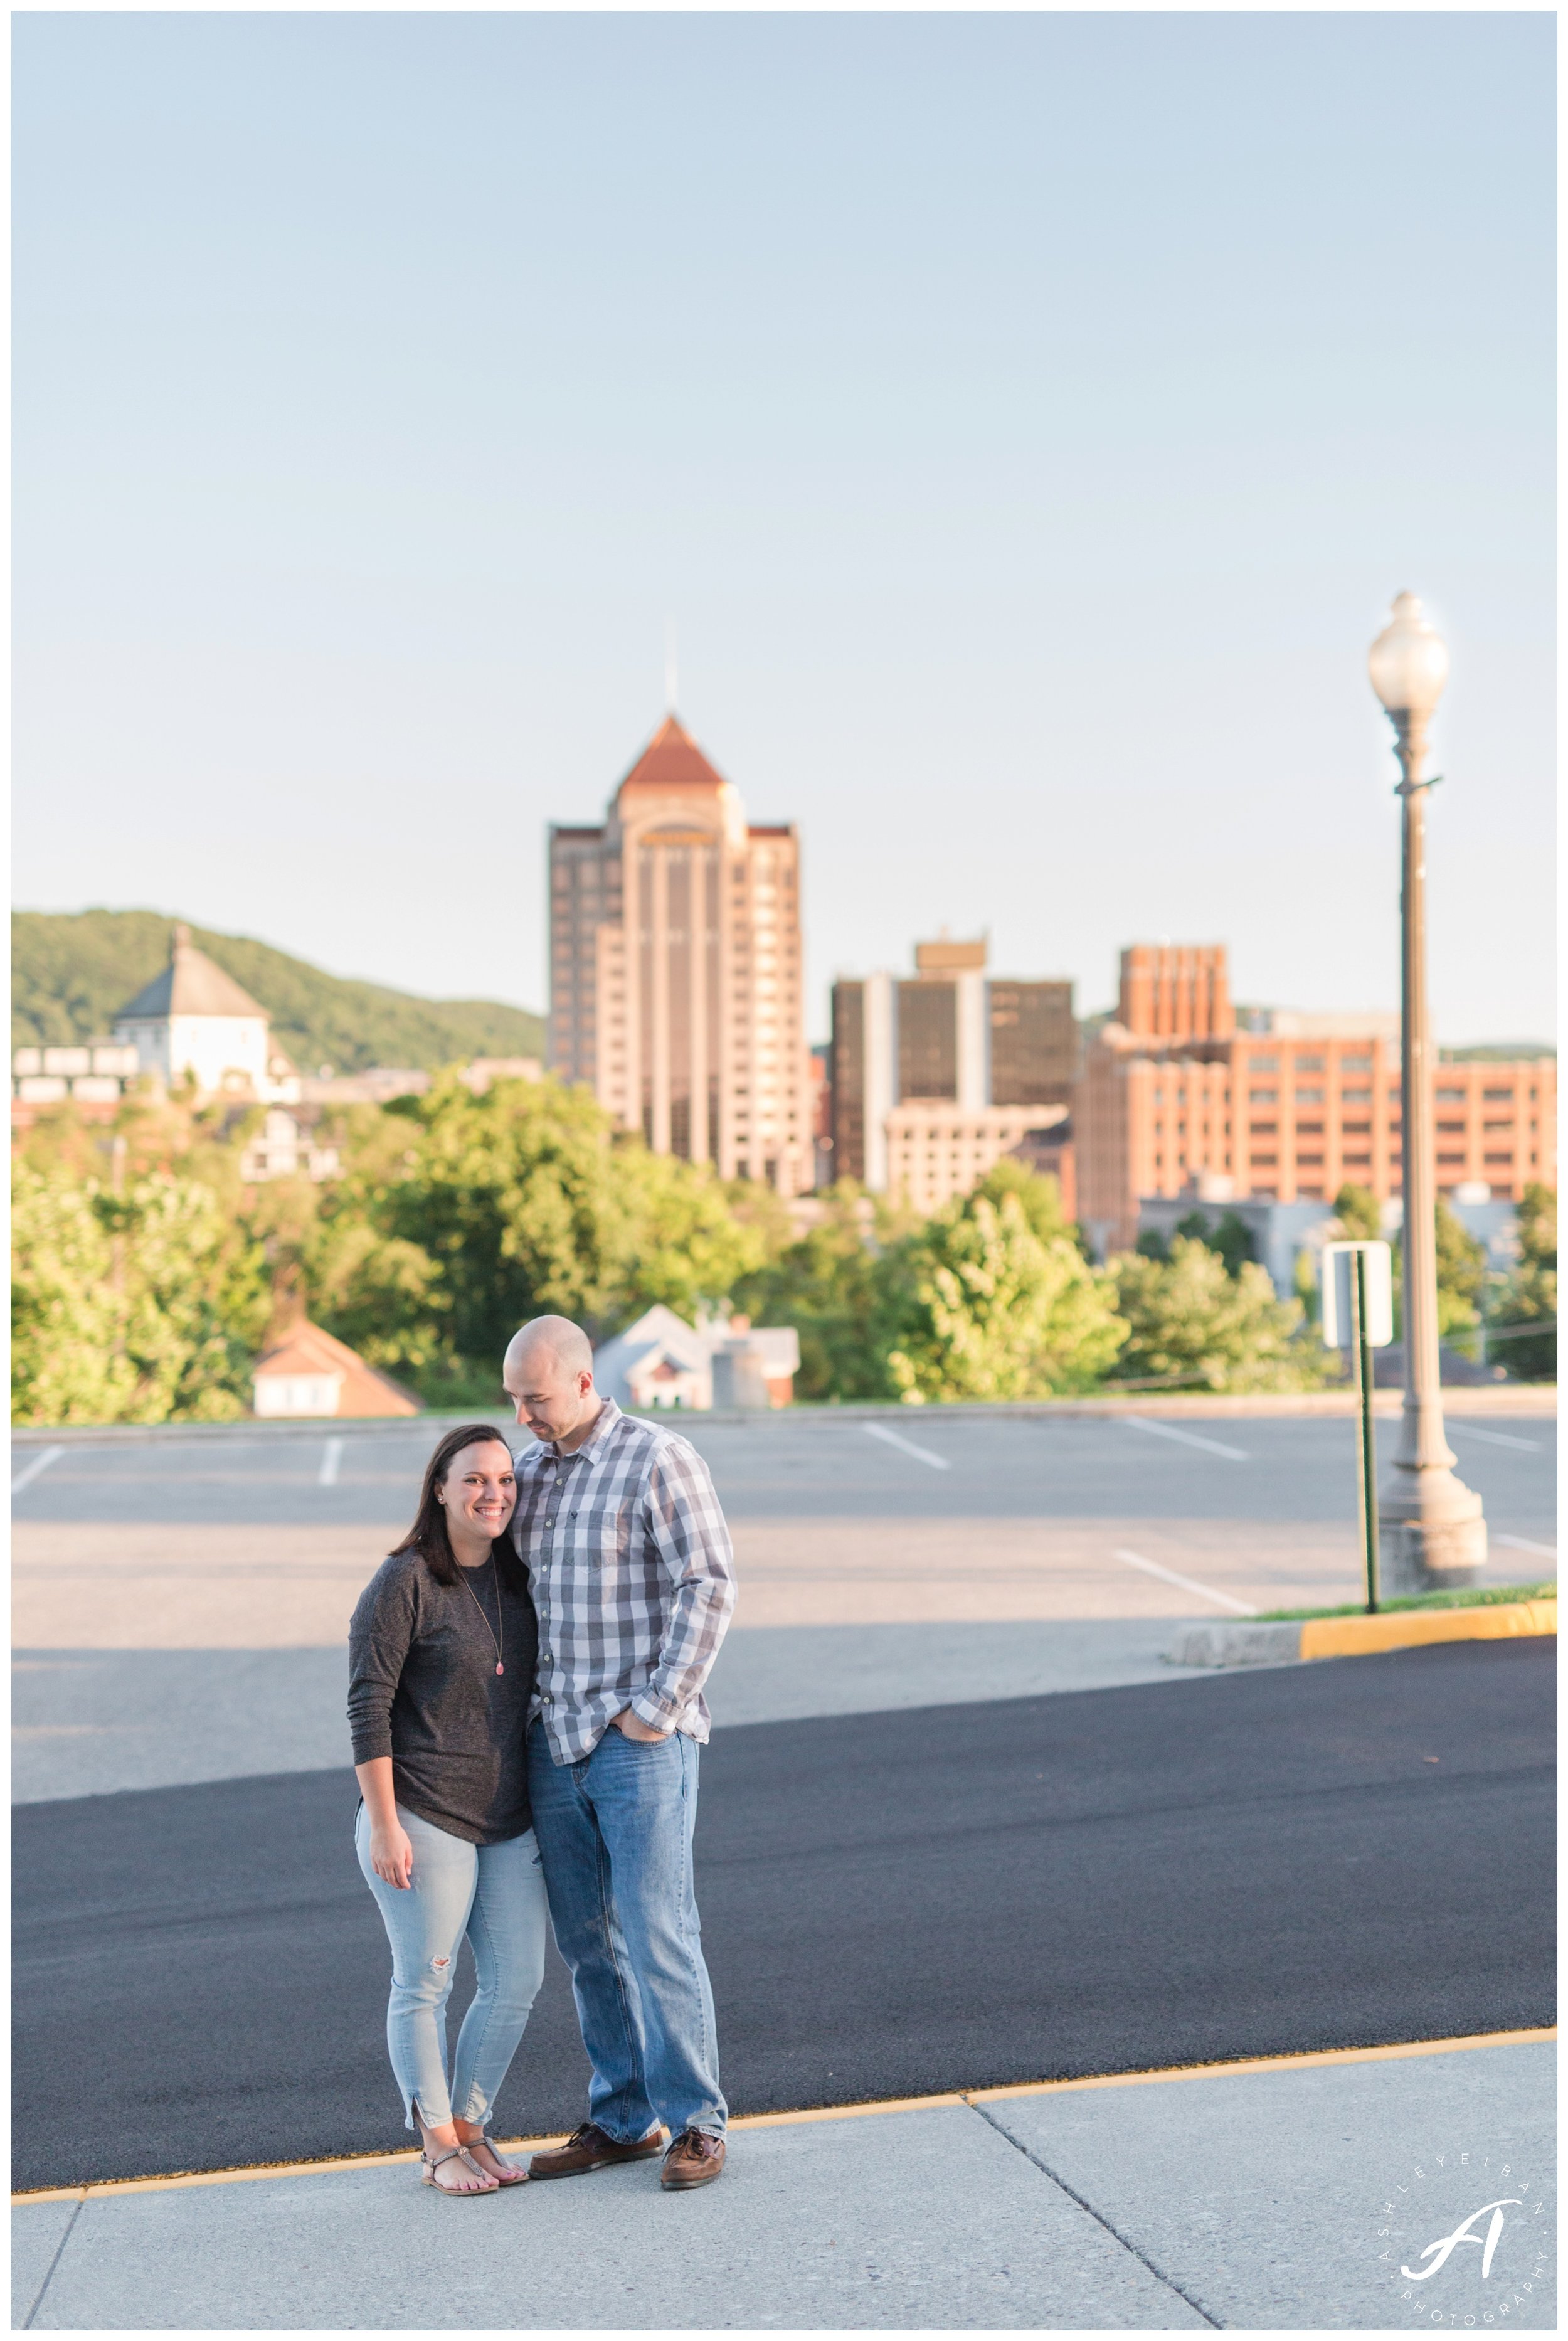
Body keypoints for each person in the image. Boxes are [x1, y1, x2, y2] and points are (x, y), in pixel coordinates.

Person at [503, 1314, 737, 2192]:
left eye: (534, 1399)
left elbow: (709, 1584)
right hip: (551, 1744)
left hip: (637, 1745)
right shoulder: (529, 1475)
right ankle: (622, 2117)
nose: (522, 1415)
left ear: (582, 1382)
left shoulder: (658, 1458)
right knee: (588, 1945)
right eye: (514, 1401)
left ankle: (698, 2124)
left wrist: (655, 1711)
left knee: (655, 1930)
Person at [348, 1422, 544, 2197]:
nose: (492, 1493)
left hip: (507, 1817)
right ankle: (434, 2146)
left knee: (518, 1980)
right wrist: (385, 1823)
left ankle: (469, 2126)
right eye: (474, 1479)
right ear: (440, 1488)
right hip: (422, 1814)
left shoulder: (517, 1572)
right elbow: (367, 1705)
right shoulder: (404, 1581)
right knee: (425, 1983)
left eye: (503, 1480)